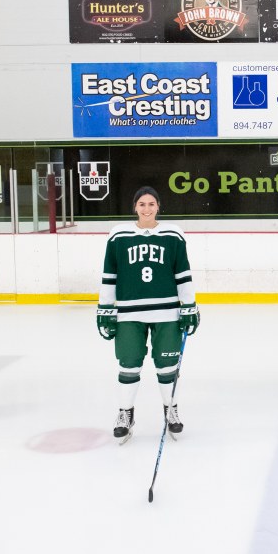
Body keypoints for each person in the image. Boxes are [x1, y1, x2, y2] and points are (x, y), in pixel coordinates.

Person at [97, 186, 200, 444]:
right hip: (129, 313)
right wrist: (105, 308)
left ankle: (170, 408)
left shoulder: (173, 234)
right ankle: (125, 413)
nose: (146, 208)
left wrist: (189, 305)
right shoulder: (118, 235)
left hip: (167, 312)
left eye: (151, 204)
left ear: (158, 206)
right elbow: (110, 274)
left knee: (167, 366)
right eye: (141, 204)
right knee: (128, 364)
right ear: (135, 207)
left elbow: (182, 273)